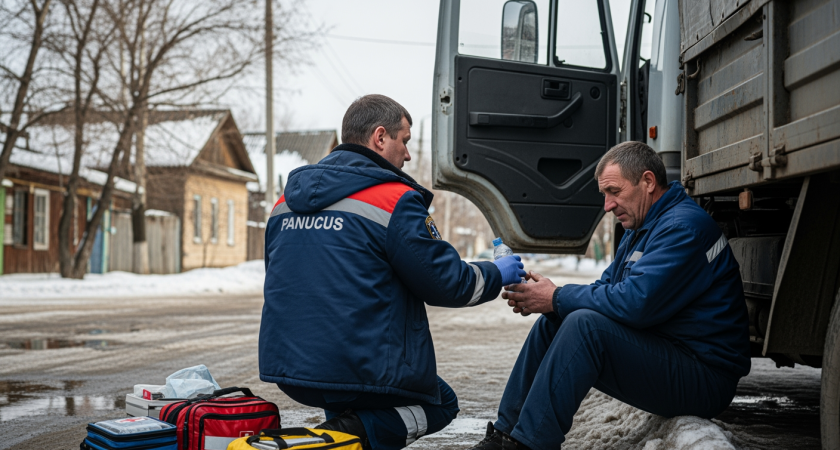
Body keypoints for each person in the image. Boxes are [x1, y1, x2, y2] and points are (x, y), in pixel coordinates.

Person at [259, 94, 527, 450]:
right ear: (380, 137)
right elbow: (447, 284)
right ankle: (344, 436)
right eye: (405, 141)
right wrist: (498, 273)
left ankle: (338, 437)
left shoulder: (284, 203)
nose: (408, 154)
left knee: (347, 399)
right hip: (356, 368)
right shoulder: (391, 199)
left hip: (293, 369)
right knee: (439, 403)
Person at [469, 141, 751, 450]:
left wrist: (557, 296)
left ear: (647, 182)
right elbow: (607, 289)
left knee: (584, 326)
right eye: (605, 195)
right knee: (555, 321)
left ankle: (530, 445)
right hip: (671, 354)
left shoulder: (682, 228)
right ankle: (506, 435)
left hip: (704, 378)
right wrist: (552, 297)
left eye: (614, 192)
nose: (607, 205)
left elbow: (635, 304)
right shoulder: (642, 228)